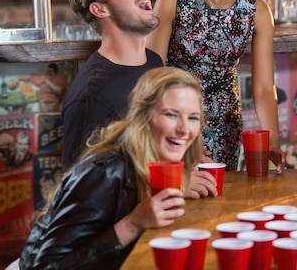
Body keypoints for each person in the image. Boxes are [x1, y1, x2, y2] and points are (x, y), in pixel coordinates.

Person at [20, 67, 207, 269]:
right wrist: (134, 223)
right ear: (144, 117)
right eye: (171, 115)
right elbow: (46, 267)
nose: (184, 129)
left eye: (193, 118)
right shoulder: (105, 171)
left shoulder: (155, 162)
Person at [62, 0, 217, 198]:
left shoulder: (153, 62)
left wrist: (180, 150)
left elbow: (141, 146)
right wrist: (171, 183)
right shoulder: (91, 95)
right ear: (100, 9)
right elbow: (81, 192)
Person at [147, 0, 285, 173]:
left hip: (225, 122)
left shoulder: (257, 11)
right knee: (179, 197)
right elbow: (151, 75)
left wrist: (273, 140)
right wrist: (178, 132)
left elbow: (265, 87)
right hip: (175, 116)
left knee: (220, 197)